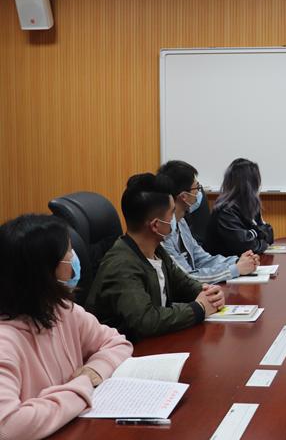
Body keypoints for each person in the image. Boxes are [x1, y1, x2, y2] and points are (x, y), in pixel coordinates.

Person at [0, 214, 133, 439]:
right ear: (43, 270)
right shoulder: (5, 341)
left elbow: (117, 342)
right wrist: (81, 387)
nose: (74, 259)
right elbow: (8, 426)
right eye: (68, 253)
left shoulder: (61, 310)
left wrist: (95, 370)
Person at [86, 173, 225, 341]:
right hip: (126, 349)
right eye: (172, 213)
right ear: (155, 225)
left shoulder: (156, 250)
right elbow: (146, 321)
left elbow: (182, 283)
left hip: (156, 342)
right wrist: (198, 309)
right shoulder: (121, 265)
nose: (175, 218)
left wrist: (208, 293)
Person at [158, 160, 259, 283]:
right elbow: (187, 277)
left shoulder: (181, 223)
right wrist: (235, 269)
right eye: (197, 188)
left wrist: (238, 262)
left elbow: (202, 259)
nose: (199, 193)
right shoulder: (163, 232)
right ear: (184, 196)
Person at [206, 158, 274, 257]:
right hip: (226, 264)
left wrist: (258, 237)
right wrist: (262, 241)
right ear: (251, 184)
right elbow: (246, 247)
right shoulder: (226, 211)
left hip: (243, 261)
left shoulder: (251, 206)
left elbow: (269, 235)